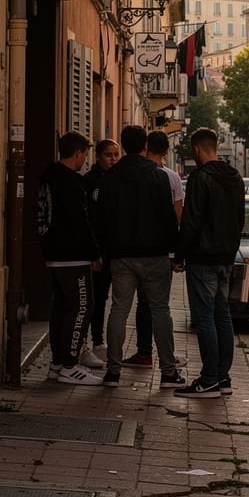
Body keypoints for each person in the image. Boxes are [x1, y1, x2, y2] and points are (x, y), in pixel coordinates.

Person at [98, 125, 185, 390]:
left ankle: (113, 372)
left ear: (123, 145)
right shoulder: (158, 177)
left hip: (122, 254)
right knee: (160, 311)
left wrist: (106, 250)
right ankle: (168, 372)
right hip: (155, 254)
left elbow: (103, 218)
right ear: (144, 145)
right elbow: (168, 218)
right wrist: (175, 253)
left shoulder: (111, 177)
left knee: (118, 310)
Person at [173, 127, 245, 398]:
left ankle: (209, 379)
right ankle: (223, 377)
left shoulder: (200, 178)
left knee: (204, 318)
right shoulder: (235, 177)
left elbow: (191, 221)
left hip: (203, 257)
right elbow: (240, 218)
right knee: (222, 315)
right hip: (226, 257)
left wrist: (180, 255)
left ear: (196, 149)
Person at [36, 131, 103, 385]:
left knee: (61, 309)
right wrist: (94, 253)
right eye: (85, 153)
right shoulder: (72, 183)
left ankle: (57, 363)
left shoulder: (48, 178)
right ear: (78, 153)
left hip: (53, 253)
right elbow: (81, 222)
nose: (85, 159)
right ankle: (69, 364)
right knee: (82, 307)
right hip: (73, 256)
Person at [122, 130, 188, 370]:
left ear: (146, 147)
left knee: (141, 304)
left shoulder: (134, 173)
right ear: (167, 151)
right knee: (161, 306)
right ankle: (167, 359)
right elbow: (178, 215)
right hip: (164, 250)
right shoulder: (171, 177)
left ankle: (143, 352)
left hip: (136, 246)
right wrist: (177, 251)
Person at [80, 138, 120, 370]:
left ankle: (98, 341)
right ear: (98, 157)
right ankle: (86, 344)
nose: (113, 159)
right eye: (108, 155)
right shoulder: (89, 182)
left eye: (116, 155)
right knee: (91, 299)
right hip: (95, 252)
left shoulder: (119, 181)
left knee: (104, 298)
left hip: (113, 251)